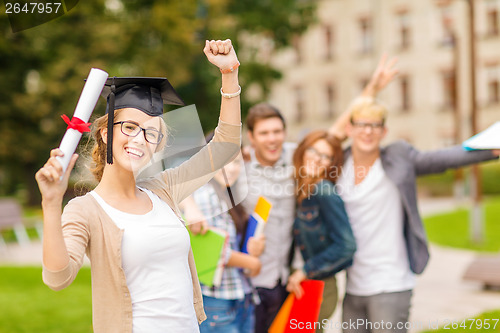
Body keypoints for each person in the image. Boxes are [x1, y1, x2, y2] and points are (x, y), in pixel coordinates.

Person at [35, 39, 242, 333]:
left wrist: (230, 72)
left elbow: (226, 147)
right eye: (130, 127)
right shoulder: (85, 211)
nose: (139, 140)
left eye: (151, 133)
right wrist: (51, 204)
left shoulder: (164, 189)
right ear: (106, 133)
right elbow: (57, 279)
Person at [332, 56, 500, 333]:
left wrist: (490, 150)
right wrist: (372, 88)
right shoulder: (338, 163)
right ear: (350, 129)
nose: (367, 131)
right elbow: (329, 136)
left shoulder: (398, 157)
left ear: (384, 131)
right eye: (361, 124)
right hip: (353, 283)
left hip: (392, 281)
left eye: (375, 125)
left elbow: (443, 158)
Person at [184, 145, 265, 333]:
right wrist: (252, 263)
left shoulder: (227, 194)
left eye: (236, 162)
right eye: (224, 162)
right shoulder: (205, 195)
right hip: (217, 301)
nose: (232, 168)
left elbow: (230, 241)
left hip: (237, 296)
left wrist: (255, 246)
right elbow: (212, 250)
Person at [286, 130, 356, 333]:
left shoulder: (324, 190)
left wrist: (305, 270)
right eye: (313, 150)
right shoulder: (300, 186)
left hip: (317, 286)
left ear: (331, 163)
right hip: (299, 282)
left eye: (325, 156)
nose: (317, 158)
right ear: (302, 150)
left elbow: (347, 246)